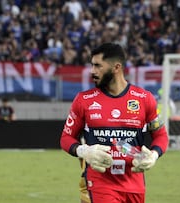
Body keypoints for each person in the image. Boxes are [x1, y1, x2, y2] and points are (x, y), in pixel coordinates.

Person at [60, 43, 169, 203]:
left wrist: (154, 155)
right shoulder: (84, 100)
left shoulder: (144, 99)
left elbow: (161, 135)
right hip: (100, 182)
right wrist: (84, 151)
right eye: (92, 65)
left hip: (135, 184)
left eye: (98, 66)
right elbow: (66, 138)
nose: (92, 71)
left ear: (116, 67)